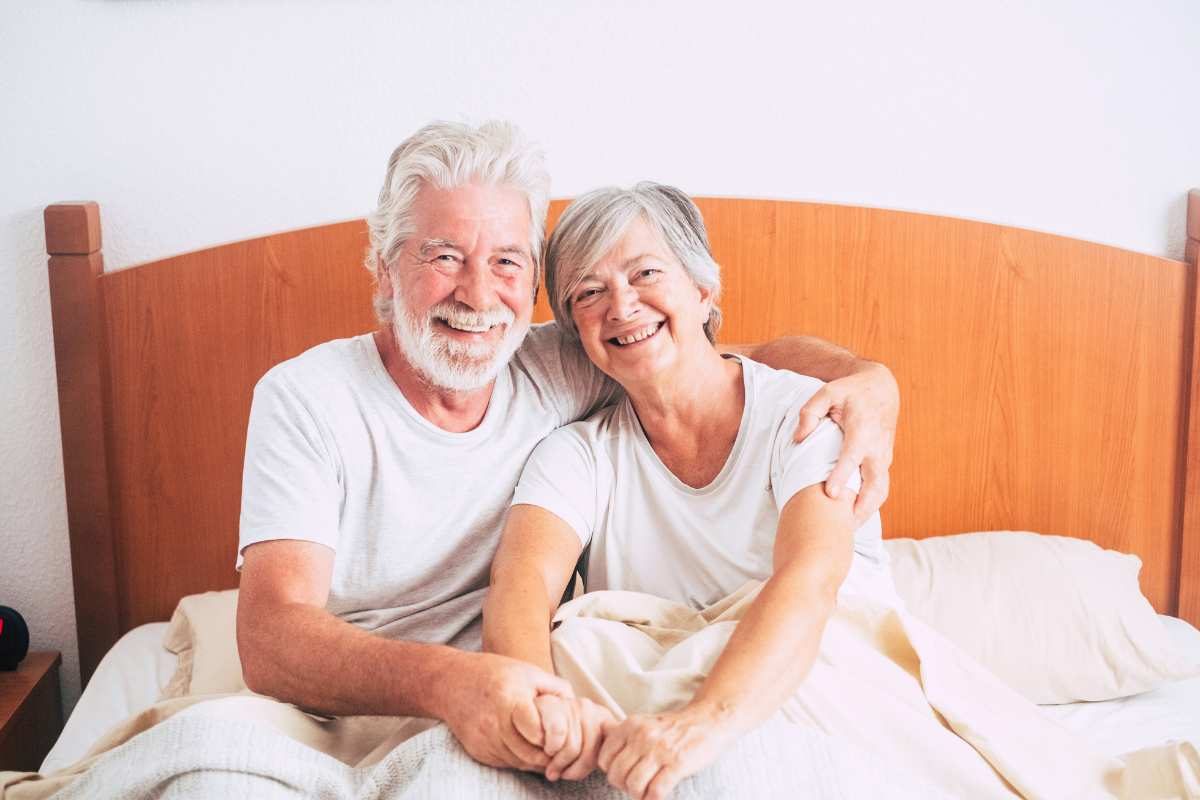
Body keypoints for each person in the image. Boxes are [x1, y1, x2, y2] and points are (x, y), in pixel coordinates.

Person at [234, 121, 900, 777]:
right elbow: (269, 635)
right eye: (443, 256)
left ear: (529, 290)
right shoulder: (309, 398)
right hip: (369, 696)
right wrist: (461, 684)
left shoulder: (568, 358)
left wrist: (866, 378)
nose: (476, 293)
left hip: (512, 697)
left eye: (505, 261)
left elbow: (720, 357)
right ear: (383, 269)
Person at [483, 181, 894, 798]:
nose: (621, 307)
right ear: (577, 334)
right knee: (580, 646)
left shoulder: (805, 417)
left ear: (703, 291)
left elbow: (812, 579)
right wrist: (545, 714)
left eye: (645, 273)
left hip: (808, 682)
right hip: (648, 716)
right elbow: (520, 589)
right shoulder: (576, 455)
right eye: (589, 293)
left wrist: (702, 725)